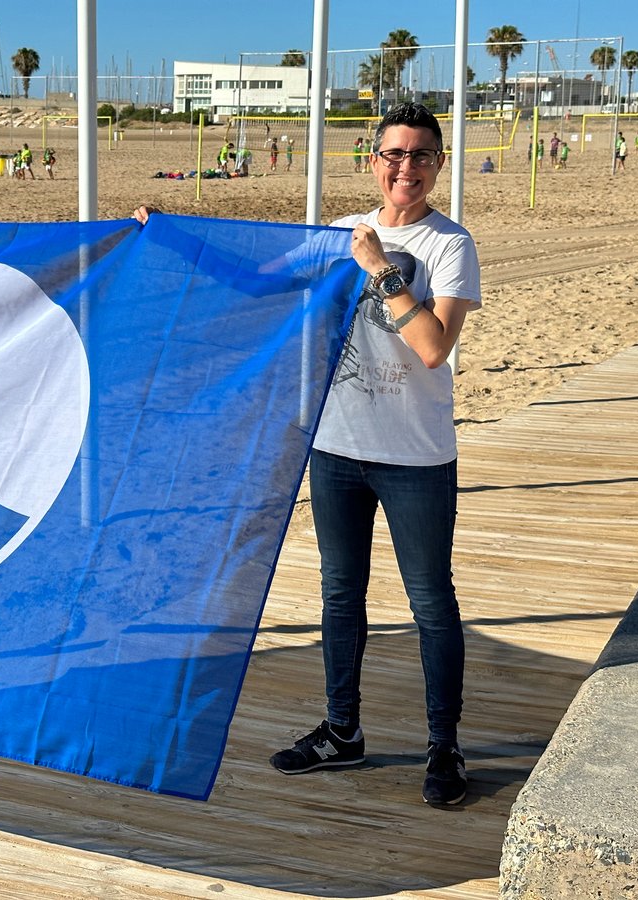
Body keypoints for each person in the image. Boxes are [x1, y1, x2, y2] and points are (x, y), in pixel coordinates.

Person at [131, 102, 481, 807]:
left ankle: (444, 748)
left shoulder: (450, 245)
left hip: (415, 457)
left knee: (430, 603)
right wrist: (173, 240)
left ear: (438, 164)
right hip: (336, 449)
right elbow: (258, 278)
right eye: (393, 154)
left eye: (419, 155)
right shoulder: (337, 236)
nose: (405, 167)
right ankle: (342, 731)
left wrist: (380, 268)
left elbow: (434, 348)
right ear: (373, 160)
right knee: (339, 594)